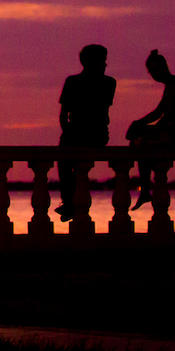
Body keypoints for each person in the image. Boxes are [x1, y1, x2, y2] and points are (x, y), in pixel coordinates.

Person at [126, 49, 175, 212]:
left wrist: (146, 131)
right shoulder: (172, 85)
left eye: (156, 70)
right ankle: (145, 188)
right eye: (151, 72)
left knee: (141, 141)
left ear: (164, 67)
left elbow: (165, 118)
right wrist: (139, 123)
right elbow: (159, 112)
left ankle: (145, 189)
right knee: (140, 138)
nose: (154, 74)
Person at [57, 45, 115, 224]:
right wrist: (68, 132)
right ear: (91, 62)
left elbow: (64, 114)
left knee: (65, 161)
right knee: (64, 161)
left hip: (92, 133)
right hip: (85, 132)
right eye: (102, 61)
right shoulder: (107, 82)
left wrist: (68, 132)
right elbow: (64, 114)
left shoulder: (103, 82)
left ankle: (69, 201)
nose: (105, 65)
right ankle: (69, 201)